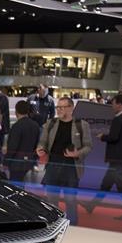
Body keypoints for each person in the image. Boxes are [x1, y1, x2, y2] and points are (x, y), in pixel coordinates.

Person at [82, 93, 122, 220]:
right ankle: (92, 205)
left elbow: (114, 137)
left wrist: (103, 137)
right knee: (107, 184)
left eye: (113, 104)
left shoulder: (118, 120)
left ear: (119, 105)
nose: (112, 106)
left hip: (116, 159)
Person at [36, 96, 91, 225]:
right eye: (58, 107)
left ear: (71, 108)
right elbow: (43, 142)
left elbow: (88, 146)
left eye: (62, 107)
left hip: (71, 167)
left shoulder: (81, 125)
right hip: (53, 165)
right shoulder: (51, 124)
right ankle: (52, 225)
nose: (59, 110)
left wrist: (78, 153)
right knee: (51, 200)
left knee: (70, 200)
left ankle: (72, 226)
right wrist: (40, 149)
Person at [5, 100, 40, 182]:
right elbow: (37, 144)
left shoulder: (16, 126)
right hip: (29, 161)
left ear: (16, 111)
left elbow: (12, 146)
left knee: (15, 184)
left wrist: (6, 161)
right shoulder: (35, 125)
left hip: (16, 162)